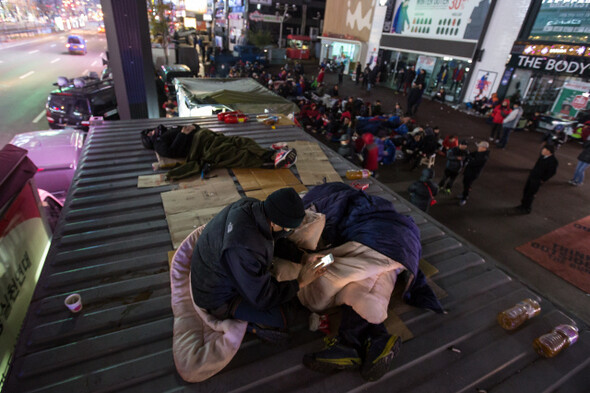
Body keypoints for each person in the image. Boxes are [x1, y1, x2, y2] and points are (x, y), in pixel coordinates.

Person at [190, 188, 327, 343]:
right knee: (287, 316)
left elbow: (276, 238)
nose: (288, 231)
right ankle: (250, 324)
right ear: (275, 222)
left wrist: (303, 257)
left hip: (215, 267)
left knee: (284, 293)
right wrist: (300, 282)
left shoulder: (253, 206)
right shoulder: (244, 247)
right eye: (288, 228)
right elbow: (262, 297)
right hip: (216, 296)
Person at [141, 124, 297, 180]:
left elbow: (190, 128)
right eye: (148, 134)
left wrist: (192, 128)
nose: (152, 132)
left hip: (207, 136)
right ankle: (273, 161)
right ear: (150, 140)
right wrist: (183, 133)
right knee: (234, 153)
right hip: (201, 147)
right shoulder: (159, 144)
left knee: (241, 141)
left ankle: (270, 154)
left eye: (149, 131)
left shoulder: (166, 131)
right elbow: (172, 150)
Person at [515, 145, 558, 214]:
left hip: (537, 179)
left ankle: (527, 208)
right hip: (532, 176)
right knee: (526, 191)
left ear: (549, 152)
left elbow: (551, 173)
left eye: (544, 150)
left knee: (531, 194)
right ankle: (522, 205)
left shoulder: (553, 161)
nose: (542, 151)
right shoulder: (542, 157)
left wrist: (543, 179)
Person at [459, 141, 490, 206]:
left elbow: (473, 162)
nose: (478, 147)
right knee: (465, 182)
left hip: (473, 173)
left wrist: (469, 159)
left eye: (479, 146)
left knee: (467, 185)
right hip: (469, 171)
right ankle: (464, 194)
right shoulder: (479, 152)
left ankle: (464, 198)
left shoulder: (484, 157)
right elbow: (471, 154)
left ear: (484, 148)